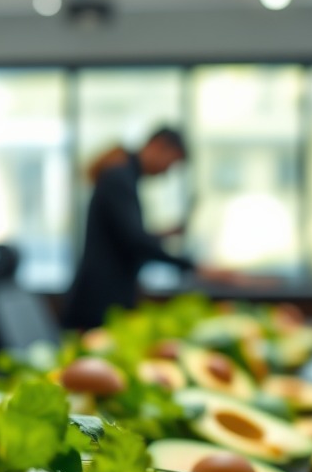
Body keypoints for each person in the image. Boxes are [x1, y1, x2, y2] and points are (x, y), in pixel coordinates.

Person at [62, 127, 222, 330]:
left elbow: (124, 235)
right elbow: (135, 242)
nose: (166, 172)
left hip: (106, 297)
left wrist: (165, 235)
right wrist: (192, 266)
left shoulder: (123, 177)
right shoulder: (119, 178)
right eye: (171, 163)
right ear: (158, 146)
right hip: (100, 301)